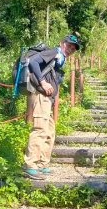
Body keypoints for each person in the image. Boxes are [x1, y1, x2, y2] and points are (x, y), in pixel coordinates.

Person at [23, 33, 80, 180]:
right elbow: (33, 62)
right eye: (68, 46)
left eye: (73, 49)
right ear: (62, 43)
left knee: (49, 131)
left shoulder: (60, 58)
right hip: (41, 95)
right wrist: (42, 82)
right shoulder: (54, 52)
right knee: (40, 129)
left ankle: (42, 163)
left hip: (47, 98)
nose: (70, 49)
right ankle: (30, 165)